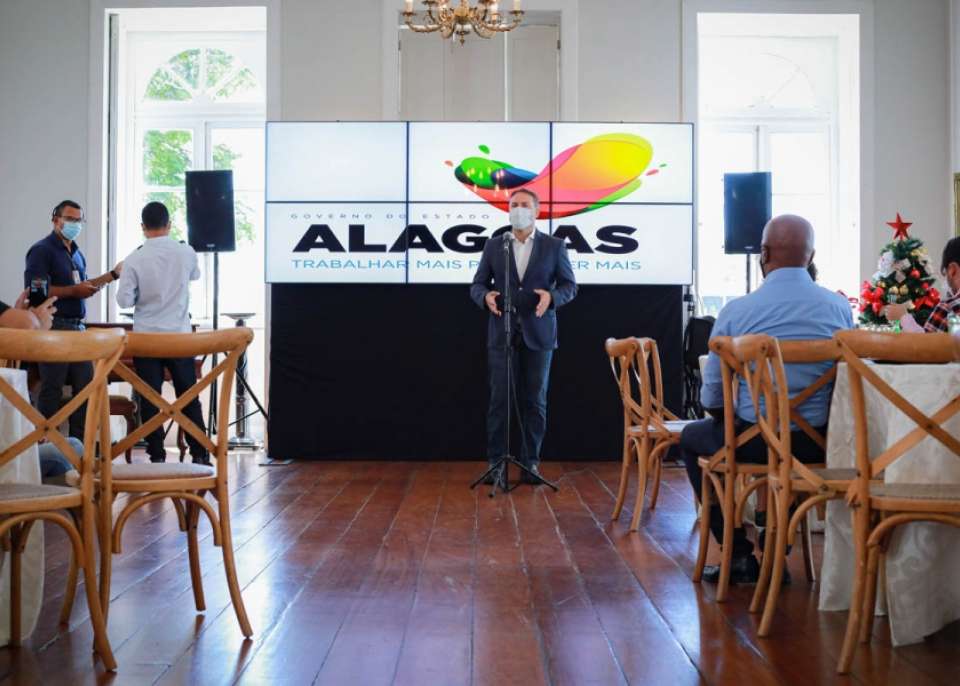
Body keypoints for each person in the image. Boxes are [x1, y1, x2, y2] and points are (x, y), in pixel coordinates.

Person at [680, 214, 854, 584]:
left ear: (764, 253)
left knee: (691, 438)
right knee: (784, 453)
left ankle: (738, 555)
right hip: (816, 443)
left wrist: (738, 418)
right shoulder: (839, 309)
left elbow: (712, 397)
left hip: (754, 442)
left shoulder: (737, 312)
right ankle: (777, 549)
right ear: (811, 256)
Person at [470, 189, 577, 485]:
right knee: (499, 400)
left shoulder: (554, 246)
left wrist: (552, 297)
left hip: (539, 333)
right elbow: (477, 284)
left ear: (536, 210)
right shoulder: (495, 245)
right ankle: (496, 463)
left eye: (524, 205)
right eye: (514, 205)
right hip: (501, 332)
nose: (518, 209)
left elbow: (569, 285)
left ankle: (530, 463)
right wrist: (485, 297)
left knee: (535, 401)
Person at [116, 201, 208, 464]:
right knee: (188, 397)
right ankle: (200, 453)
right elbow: (195, 275)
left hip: (147, 340)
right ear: (169, 225)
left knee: (149, 399)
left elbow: (124, 301)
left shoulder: (134, 259)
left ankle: (156, 455)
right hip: (179, 338)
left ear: (143, 227)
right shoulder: (185, 252)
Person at [24, 200, 122, 440]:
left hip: (78, 330)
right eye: (70, 219)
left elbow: (84, 286)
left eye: (79, 220)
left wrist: (112, 275)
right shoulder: (42, 250)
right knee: (52, 388)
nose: (75, 224)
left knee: (85, 389)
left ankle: (79, 447)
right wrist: (72, 291)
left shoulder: (77, 254)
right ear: (55, 220)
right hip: (53, 327)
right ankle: (47, 445)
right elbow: (36, 292)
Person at [884, 236, 960, 332]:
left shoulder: (950, 307)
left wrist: (903, 317)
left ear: (952, 270)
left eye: (945, 273)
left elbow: (925, 340)